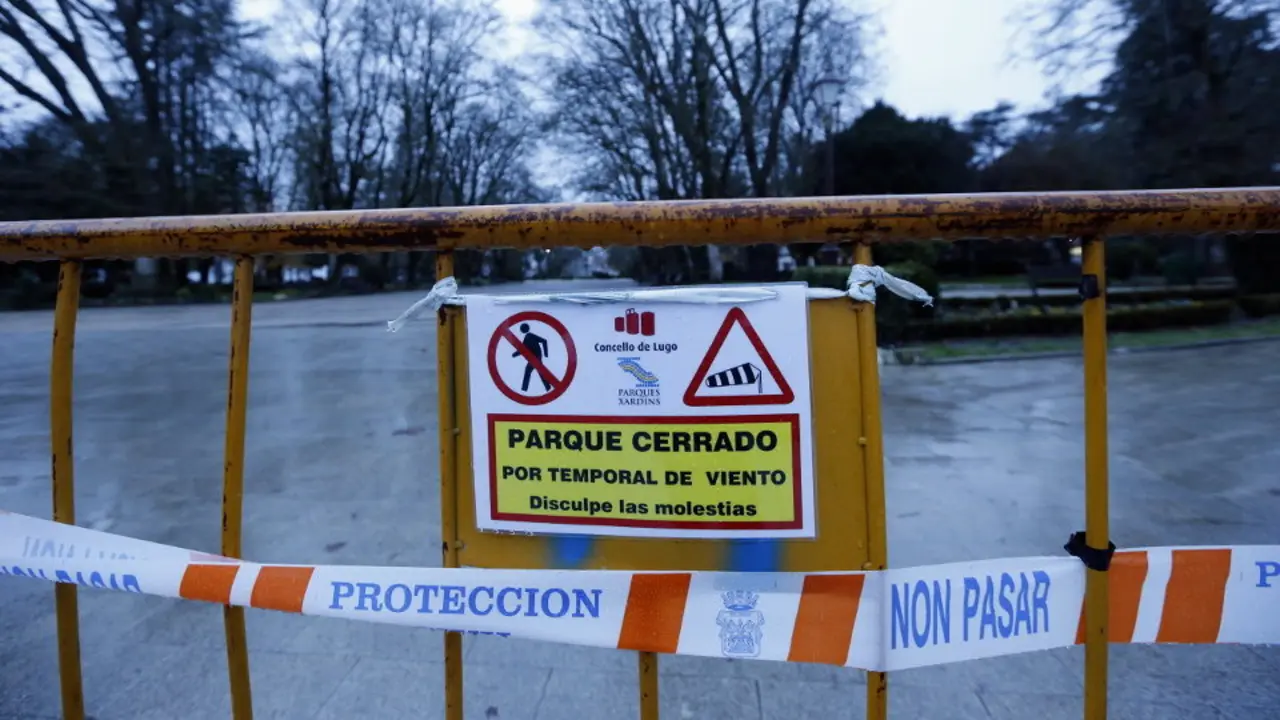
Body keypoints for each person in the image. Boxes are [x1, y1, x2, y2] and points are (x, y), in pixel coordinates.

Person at [513, 323, 551, 392]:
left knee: (529, 372)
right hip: (534, 359)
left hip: (535, 359)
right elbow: (522, 350)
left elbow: (544, 341)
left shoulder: (529, 336)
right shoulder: (528, 337)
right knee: (540, 372)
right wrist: (514, 354)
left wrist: (546, 354)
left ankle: (524, 390)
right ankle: (548, 387)